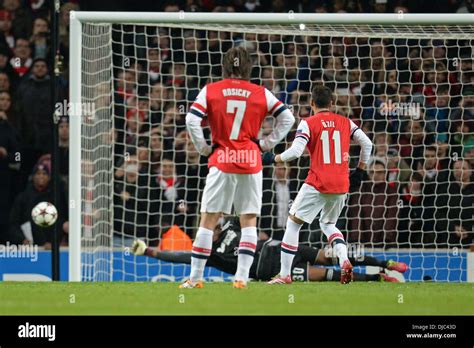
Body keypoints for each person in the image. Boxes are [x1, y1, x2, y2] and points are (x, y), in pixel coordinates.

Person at [182, 46, 295, 289]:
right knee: (248, 220)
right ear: (249, 68)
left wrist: (204, 149)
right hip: (251, 162)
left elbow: (191, 119)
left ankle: (195, 279)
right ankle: (241, 278)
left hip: (221, 160)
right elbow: (288, 118)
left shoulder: (211, 90)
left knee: (208, 220)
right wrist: (265, 144)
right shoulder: (260, 92)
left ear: (224, 66)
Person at [262, 85, 373, 285]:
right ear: (332, 104)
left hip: (318, 181)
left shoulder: (308, 123)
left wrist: (273, 157)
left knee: (293, 223)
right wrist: (361, 170)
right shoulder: (346, 122)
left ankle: (285, 275)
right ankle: (344, 259)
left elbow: (295, 153)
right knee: (328, 224)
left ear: (312, 104)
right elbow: (368, 144)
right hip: (341, 183)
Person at [130, 217, 408, 283]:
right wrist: (149, 252)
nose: (210, 225)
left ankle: (385, 263)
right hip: (270, 269)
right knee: (325, 275)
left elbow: (255, 226)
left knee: (333, 255)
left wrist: (263, 236)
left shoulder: (230, 223)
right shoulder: (208, 252)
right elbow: (181, 257)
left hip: (281, 248)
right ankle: (378, 278)